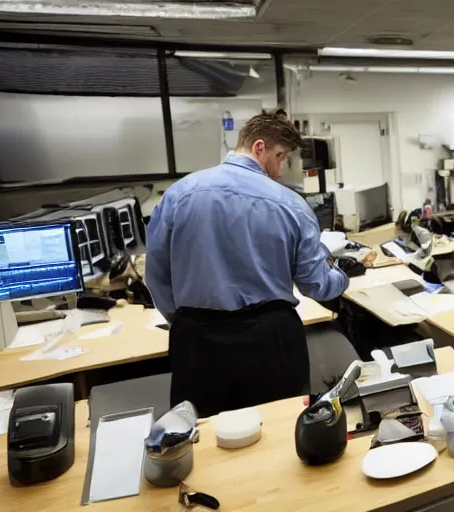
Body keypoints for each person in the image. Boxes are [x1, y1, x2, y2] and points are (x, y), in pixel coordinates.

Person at [146, 111, 350, 417]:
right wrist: (344, 275)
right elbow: (316, 284)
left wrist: (185, 321)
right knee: (278, 430)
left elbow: (156, 276)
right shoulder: (291, 204)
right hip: (270, 339)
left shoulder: (179, 194)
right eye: (280, 156)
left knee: (202, 435)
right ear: (258, 148)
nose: (281, 171)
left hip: (197, 340)